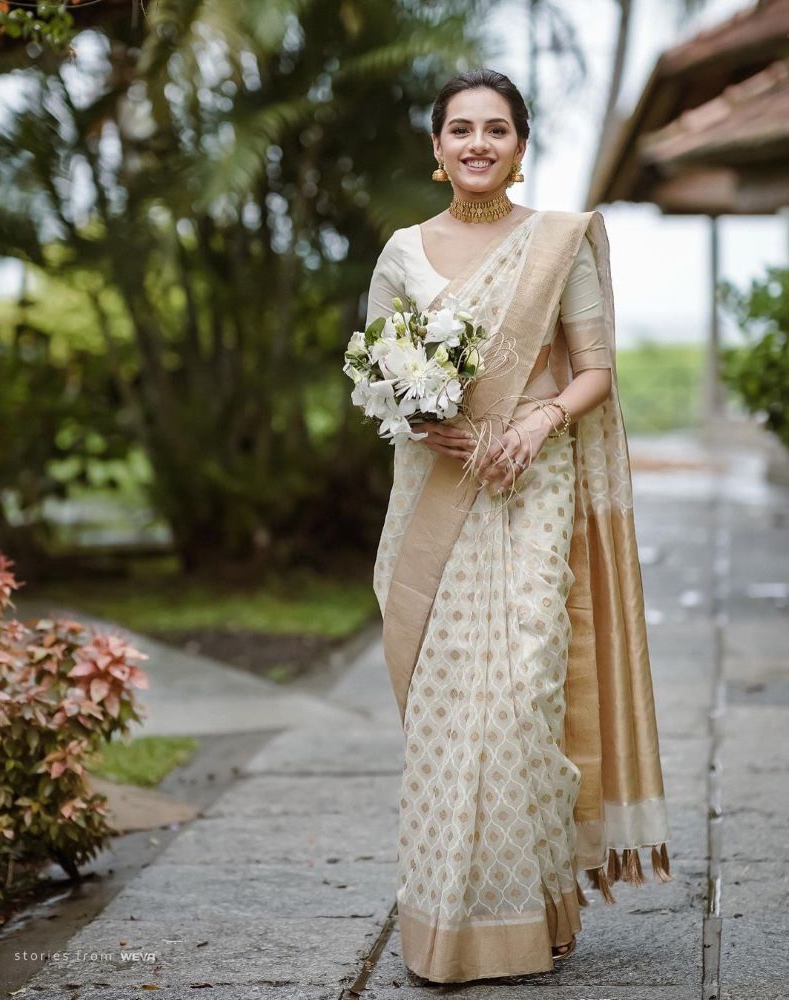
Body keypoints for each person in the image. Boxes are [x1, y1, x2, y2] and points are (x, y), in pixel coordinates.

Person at [366, 68, 673, 984]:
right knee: (445, 708)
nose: (476, 145)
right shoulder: (401, 256)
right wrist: (428, 418)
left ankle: (530, 911)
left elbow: (595, 371)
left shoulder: (556, 243)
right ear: (435, 149)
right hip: (438, 495)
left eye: (495, 129)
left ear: (521, 146)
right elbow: (383, 384)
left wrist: (537, 421)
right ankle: (449, 928)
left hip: (531, 487)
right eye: (459, 129)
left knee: (518, 699)